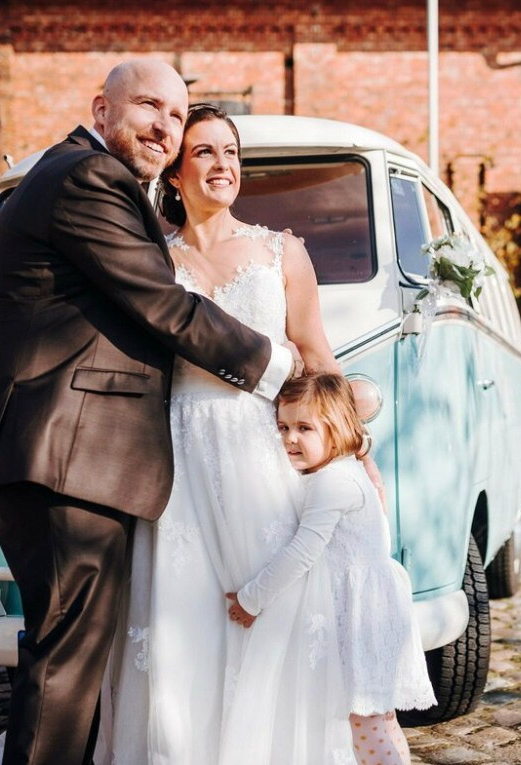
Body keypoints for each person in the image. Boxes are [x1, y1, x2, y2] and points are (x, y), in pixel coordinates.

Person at [0, 60, 302, 765]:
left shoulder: (82, 179)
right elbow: (163, 304)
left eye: (176, 116)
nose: (164, 127)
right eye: (149, 106)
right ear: (102, 105)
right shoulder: (87, 177)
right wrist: (276, 364)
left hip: (71, 458)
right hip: (68, 462)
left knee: (71, 663)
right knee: (64, 668)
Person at [105, 104, 355, 764]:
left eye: (233, 153)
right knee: (185, 621)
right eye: (207, 153)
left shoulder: (283, 251)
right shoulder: (152, 258)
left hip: (264, 452)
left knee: (269, 607)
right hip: (177, 456)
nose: (224, 165)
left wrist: (350, 450)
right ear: (177, 176)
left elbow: (317, 354)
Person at [227, 373, 436, 765]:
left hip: (360, 616)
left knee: (364, 722)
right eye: (283, 427)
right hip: (376, 605)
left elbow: (303, 550)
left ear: (337, 427)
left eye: (304, 428)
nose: (289, 438)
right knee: (380, 716)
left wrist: (251, 599)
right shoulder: (347, 472)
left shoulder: (331, 483)